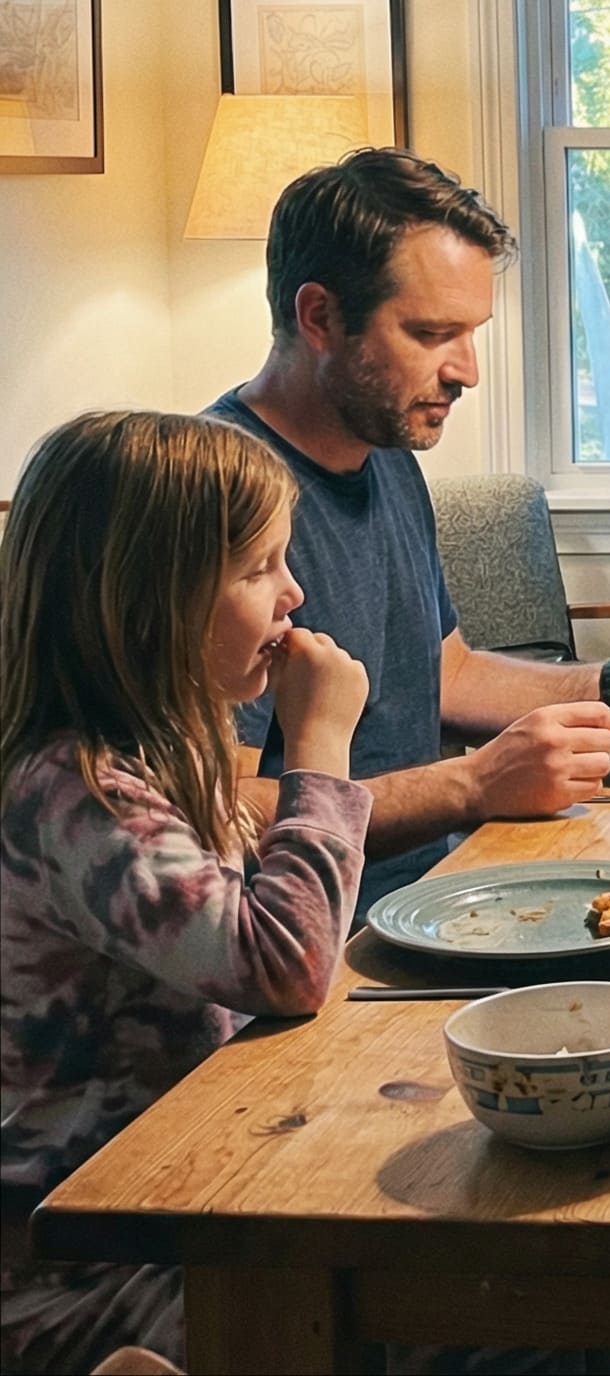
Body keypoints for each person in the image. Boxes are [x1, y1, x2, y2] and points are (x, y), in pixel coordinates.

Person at [206, 149, 610, 909]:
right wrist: (470, 784)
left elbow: (448, 675)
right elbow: (214, 811)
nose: (466, 370)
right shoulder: (219, 501)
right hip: (314, 932)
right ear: (320, 317)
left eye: (472, 333)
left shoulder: (385, 452)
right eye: (433, 334)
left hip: (443, 889)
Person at [0, 411, 371, 1375]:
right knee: (417, 1306)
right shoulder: (76, 793)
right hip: (78, 1260)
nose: (295, 594)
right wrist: (321, 747)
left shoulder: (151, 760)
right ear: (147, 601)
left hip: (192, 1178)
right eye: (258, 570)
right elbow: (284, 964)